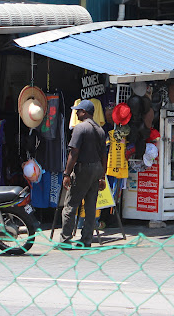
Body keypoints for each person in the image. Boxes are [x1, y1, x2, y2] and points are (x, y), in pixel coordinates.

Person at [60, 99, 106, 248]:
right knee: (91, 206)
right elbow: (104, 156)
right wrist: (102, 176)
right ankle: (86, 239)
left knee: (71, 205)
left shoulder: (80, 128)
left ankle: (65, 239)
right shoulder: (100, 130)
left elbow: (74, 152)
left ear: (84, 112)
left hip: (83, 169)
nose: (76, 113)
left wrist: (67, 173)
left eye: (78, 110)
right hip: (97, 169)